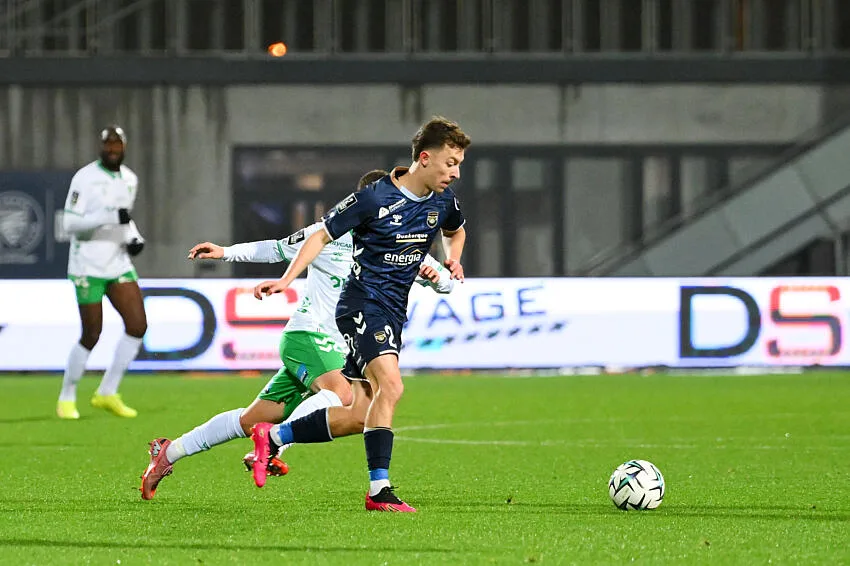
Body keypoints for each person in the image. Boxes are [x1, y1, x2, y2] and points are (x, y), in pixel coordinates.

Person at [139, 169, 454, 500]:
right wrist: (226, 252)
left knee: (250, 421)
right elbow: (277, 249)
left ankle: (168, 452)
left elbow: (446, 283)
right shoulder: (329, 235)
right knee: (341, 394)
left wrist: (438, 278)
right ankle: (273, 445)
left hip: (342, 350)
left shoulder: (404, 244)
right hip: (309, 336)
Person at [252, 116, 471, 512]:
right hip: (362, 304)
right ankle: (378, 490)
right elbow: (320, 234)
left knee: (358, 413)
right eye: (450, 163)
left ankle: (274, 437)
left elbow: (455, 231)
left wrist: (452, 258)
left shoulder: (443, 201)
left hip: (393, 310)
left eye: (458, 164)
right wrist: (286, 280)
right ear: (425, 158)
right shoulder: (373, 198)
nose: (455, 173)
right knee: (393, 387)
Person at [57, 125, 147, 420]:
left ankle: (108, 391)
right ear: (100, 146)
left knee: (137, 326)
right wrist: (105, 216)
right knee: (92, 333)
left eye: (117, 144)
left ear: (124, 146)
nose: (112, 149)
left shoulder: (130, 179)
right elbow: (69, 224)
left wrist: (134, 237)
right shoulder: (85, 178)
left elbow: (124, 218)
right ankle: (67, 396)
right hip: (88, 264)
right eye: (108, 144)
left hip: (117, 262)